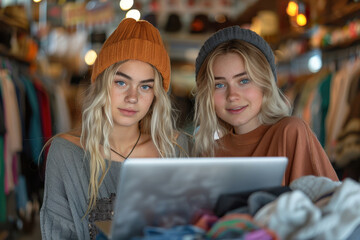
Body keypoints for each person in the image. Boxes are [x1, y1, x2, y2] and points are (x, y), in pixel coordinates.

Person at [40, 18, 192, 239]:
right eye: (121, 82)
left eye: (145, 86)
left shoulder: (177, 149)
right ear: (102, 82)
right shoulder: (66, 153)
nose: (132, 97)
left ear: (156, 94)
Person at [193, 25, 338, 185]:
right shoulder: (209, 153)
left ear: (265, 84)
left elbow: (332, 204)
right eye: (219, 85)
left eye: (244, 80)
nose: (232, 95)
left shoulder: (290, 132)